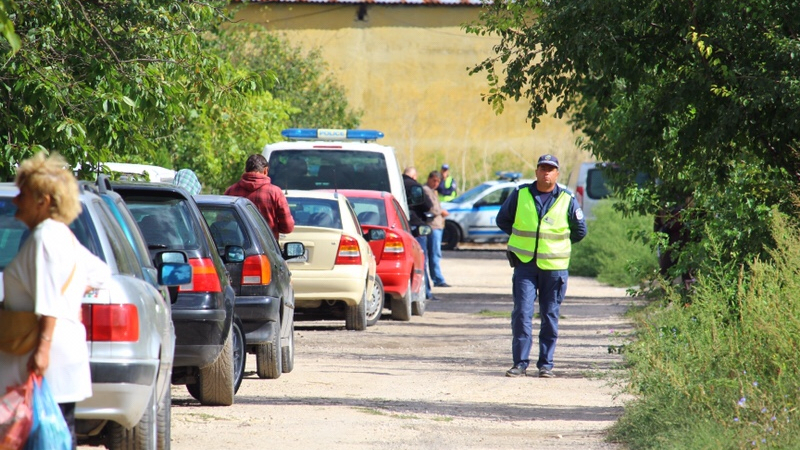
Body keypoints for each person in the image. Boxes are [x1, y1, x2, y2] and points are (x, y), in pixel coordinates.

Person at [0, 151, 111, 449]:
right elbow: (101, 273)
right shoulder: (62, 235)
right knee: (55, 436)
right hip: (62, 361)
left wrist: (42, 351)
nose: (15, 201)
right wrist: (74, 292)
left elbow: (47, 300)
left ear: (44, 200)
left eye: (23, 194)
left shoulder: (44, 238)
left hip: (43, 362)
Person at [495, 154, 587, 378]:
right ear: (536, 171)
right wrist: (521, 240)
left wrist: (556, 246)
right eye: (542, 168)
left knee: (549, 316)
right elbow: (502, 220)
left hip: (554, 267)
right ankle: (520, 364)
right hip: (525, 265)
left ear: (557, 174)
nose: (546, 172)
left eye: (551, 169)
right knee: (522, 315)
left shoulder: (567, 198)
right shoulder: (521, 194)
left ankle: (546, 365)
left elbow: (580, 230)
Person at [225, 154, 294, 240]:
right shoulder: (275, 193)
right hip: (268, 246)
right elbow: (288, 227)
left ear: (245, 170)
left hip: (237, 247)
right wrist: (271, 227)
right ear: (265, 171)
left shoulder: (231, 191)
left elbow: (223, 221)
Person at [402, 166, 435, 300]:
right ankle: (425, 292)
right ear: (414, 176)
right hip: (417, 226)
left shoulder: (395, 183)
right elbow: (427, 205)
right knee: (421, 260)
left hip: (401, 226)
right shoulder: (415, 186)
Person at [424, 170, 450, 288]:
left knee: (436, 254)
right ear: (429, 179)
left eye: (438, 181)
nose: (436, 183)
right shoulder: (426, 190)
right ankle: (438, 279)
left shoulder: (434, 191)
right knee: (434, 254)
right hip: (432, 226)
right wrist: (441, 212)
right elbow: (432, 208)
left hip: (438, 225)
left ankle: (436, 278)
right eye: (434, 180)